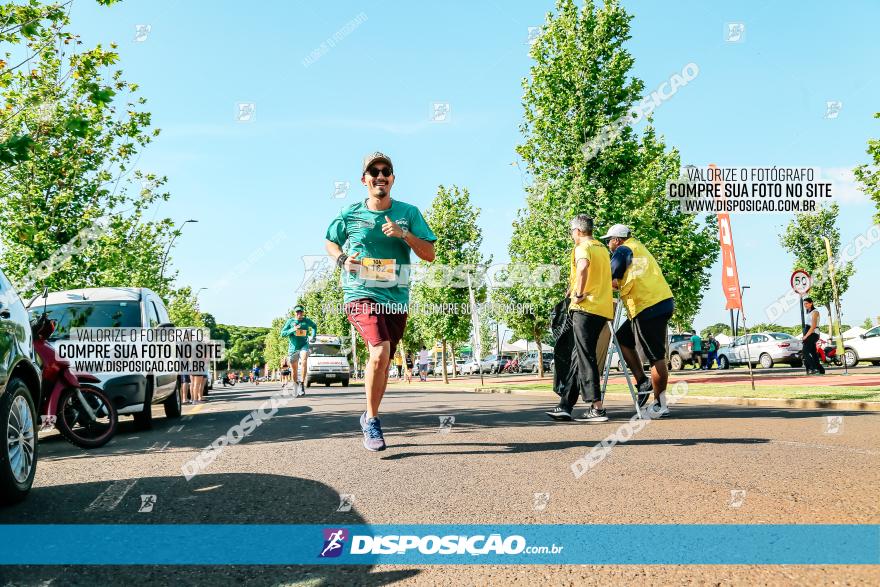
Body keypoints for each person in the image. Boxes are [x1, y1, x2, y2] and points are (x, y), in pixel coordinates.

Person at [325, 151, 437, 451]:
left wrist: (404, 235)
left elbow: (429, 254)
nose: (380, 175)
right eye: (373, 171)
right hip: (360, 293)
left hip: (396, 296)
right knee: (379, 350)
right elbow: (330, 241)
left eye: (385, 171)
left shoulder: (408, 213)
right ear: (364, 180)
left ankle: (368, 415)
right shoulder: (349, 214)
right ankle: (373, 420)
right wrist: (342, 259)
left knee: (384, 360)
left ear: (392, 178)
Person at [602, 224, 675, 417]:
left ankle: (661, 405)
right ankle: (643, 380)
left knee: (655, 356)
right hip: (657, 303)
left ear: (617, 240)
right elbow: (621, 281)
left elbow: (611, 275)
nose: (608, 244)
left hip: (648, 306)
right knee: (622, 338)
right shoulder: (638, 248)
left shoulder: (623, 249)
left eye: (609, 240)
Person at [546, 215, 614, 423]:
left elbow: (583, 267)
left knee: (585, 356)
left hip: (585, 307)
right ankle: (565, 405)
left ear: (577, 231)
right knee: (579, 356)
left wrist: (578, 292)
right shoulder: (602, 249)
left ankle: (597, 407)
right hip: (602, 309)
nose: (571, 236)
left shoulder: (582, 247)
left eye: (571, 232)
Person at [280, 305, 318, 396]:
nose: (299, 313)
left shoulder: (306, 321)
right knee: (294, 369)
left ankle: (301, 383)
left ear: (303, 312)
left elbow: (314, 326)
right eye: (297, 312)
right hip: (293, 348)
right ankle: (295, 385)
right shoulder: (290, 321)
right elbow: (282, 334)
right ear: (295, 313)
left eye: (301, 312)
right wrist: (293, 329)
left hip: (304, 345)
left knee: (304, 359)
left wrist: (313, 336)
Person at [802, 297, 825, 375]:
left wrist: (806, 336)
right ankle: (820, 369)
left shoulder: (815, 312)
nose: (805, 305)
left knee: (805, 351)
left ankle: (814, 368)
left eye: (806, 303)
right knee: (813, 352)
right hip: (810, 333)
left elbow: (813, 326)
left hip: (813, 333)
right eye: (804, 304)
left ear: (811, 303)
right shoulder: (808, 312)